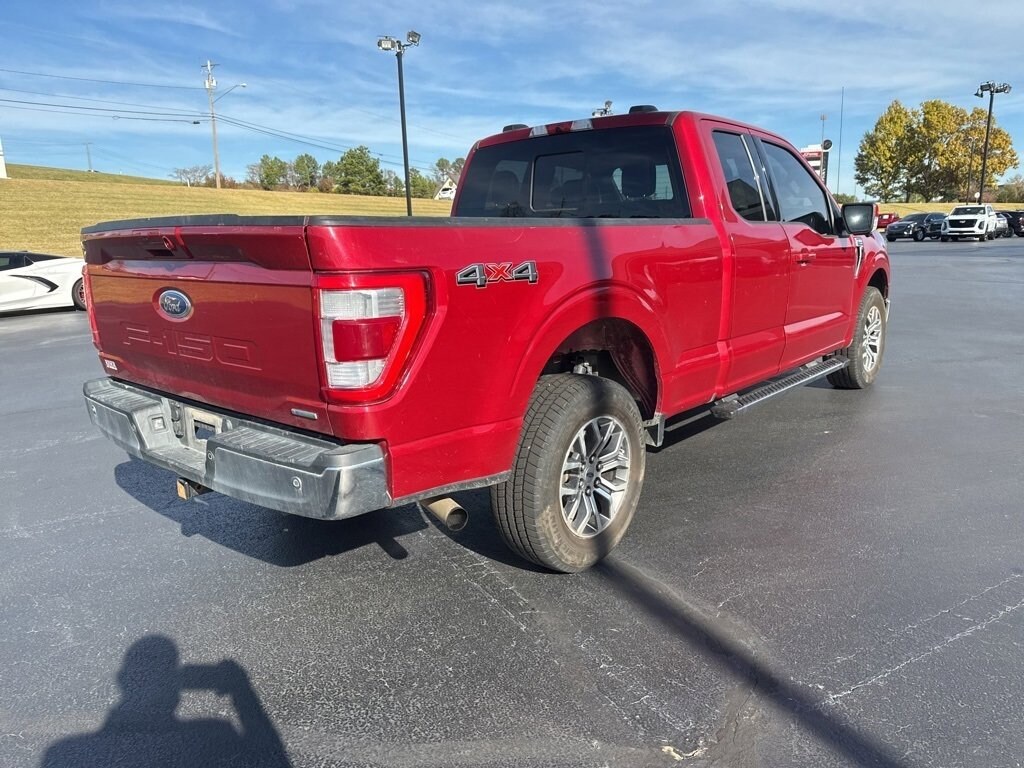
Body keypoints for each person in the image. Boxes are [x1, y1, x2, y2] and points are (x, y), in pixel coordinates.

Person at [42, 635, 290, 768]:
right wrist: (241, 689)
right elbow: (272, 757)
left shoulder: (61, 752)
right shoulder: (213, 733)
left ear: (123, 679)